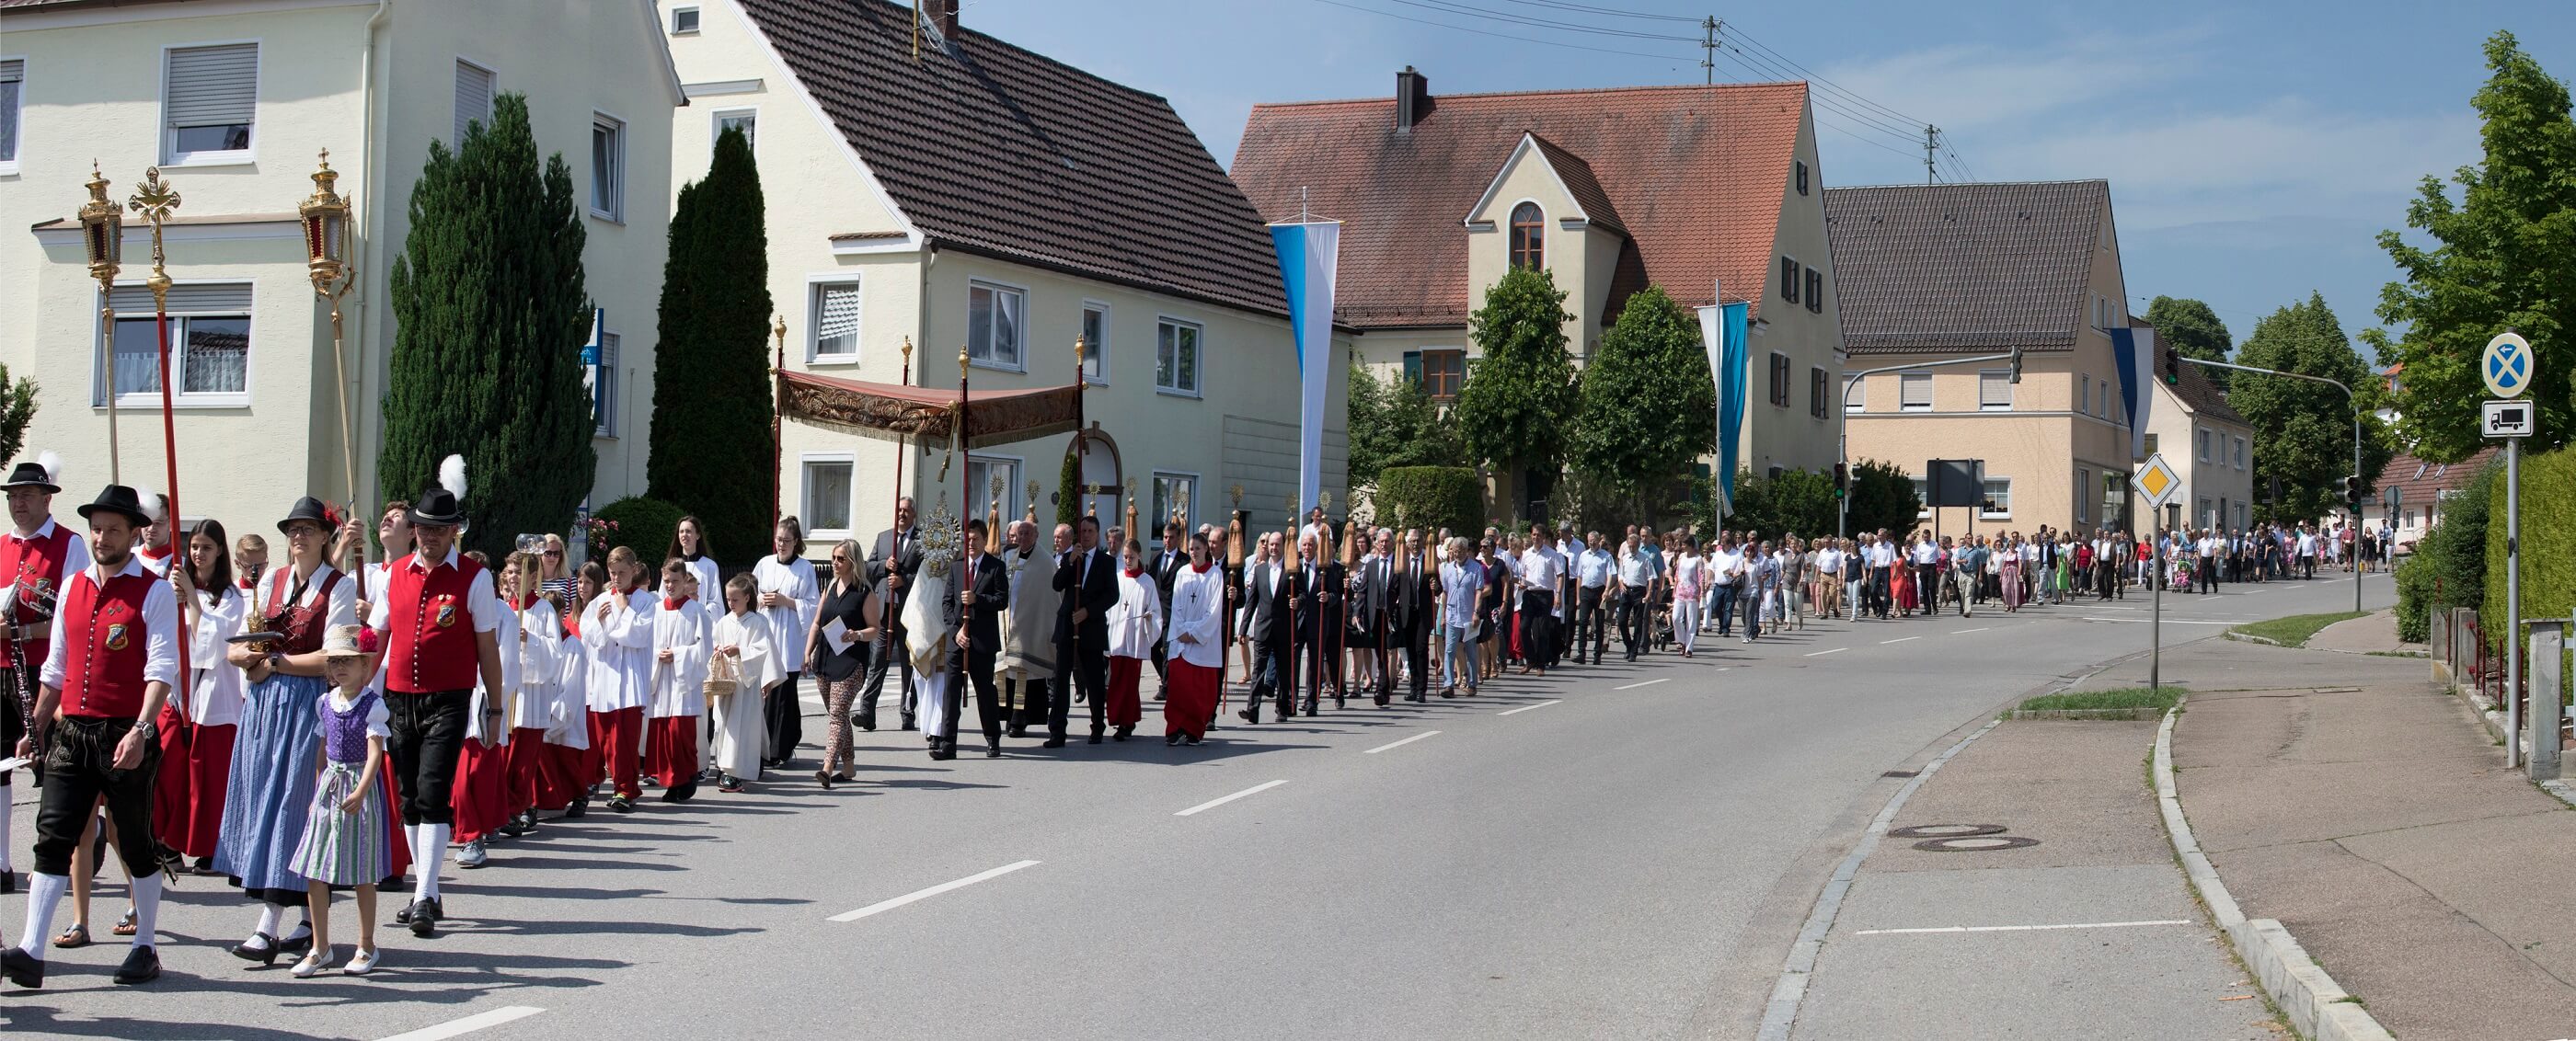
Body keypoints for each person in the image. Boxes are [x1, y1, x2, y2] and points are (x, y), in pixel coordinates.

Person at [6, 485, 179, 989]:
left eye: (113, 530)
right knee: (52, 837)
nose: (102, 538)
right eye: (97, 529)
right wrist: (36, 725)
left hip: (125, 731)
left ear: (133, 534)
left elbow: (161, 668)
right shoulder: (72, 587)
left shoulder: (153, 591)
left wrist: (142, 730)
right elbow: (55, 666)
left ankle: (144, 944)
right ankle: (31, 951)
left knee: (135, 841)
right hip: (73, 731)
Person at [217, 497, 374, 967]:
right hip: (265, 707)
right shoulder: (271, 580)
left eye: (307, 529)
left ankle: (269, 925)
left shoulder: (338, 587)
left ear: (326, 536)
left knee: (294, 806)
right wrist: (250, 660)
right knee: (264, 800)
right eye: (292, 530)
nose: (298, 536)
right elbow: (238, 646)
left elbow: (333, 657)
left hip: (308, 706)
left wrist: (274, 663)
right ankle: (307, 920)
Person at [368, 460, 504, 939]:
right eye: (423, 528)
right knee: (409, 798)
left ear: (453, 532)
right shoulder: (393, 575)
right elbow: (378, 638)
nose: (429, 536)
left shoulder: (474, 578)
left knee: (432, 793)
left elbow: (487, 648)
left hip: (449, 698)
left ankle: (425, 894)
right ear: (414, 529)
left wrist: (495, 710)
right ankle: (425, 889)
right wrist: (359, 691)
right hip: (398, 697)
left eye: (439, 529)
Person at [2, 452, 86, 892]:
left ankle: (55, 854)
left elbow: (75, 616)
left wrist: (20, 630)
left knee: (53, 765)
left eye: (27, 495)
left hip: (46, 669)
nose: (19, 503)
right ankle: (2, 863)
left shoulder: (68, 544)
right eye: (13, 496)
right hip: (2, 667)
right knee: (1, 765)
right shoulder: (1, 544)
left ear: (47, 499)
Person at [287, 624, 390, 978]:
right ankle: (320, 946)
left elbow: (375, 753)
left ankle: (366, 944)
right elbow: (323, 747)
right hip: (330, 786)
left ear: (365, 665)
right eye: (334, 662)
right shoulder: (325, 703)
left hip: (358, 785)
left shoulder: (373, 706)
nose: (340, 667)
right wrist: (318, 786)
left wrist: (361, 791)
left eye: (348, 660)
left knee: (362, 870)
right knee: (315, 868)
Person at [173, 520, 247, 874]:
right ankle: (171, 842)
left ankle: (214, 846)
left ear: (219, 551)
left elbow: (212, 645)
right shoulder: (176, 589)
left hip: (215, 695)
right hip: (179, 691)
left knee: (212, 778)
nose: (198, 554)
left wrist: (191, 598)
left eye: (206, 547)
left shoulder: (231, 597)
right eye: (194, 547)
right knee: (175, 773)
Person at [447, 551, 517, 869]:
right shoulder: (452, 608)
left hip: (481, 704)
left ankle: (472, 837)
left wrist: (493, 707)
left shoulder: (504, 616)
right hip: (450, 701)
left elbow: (507, 667)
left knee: (471, 776)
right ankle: (481, 824)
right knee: (456, 775)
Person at [582, 547, 656, 814]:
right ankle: (615, 783)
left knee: (625, 739)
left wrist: (625, 611)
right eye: (612, 573)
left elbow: (638, 636)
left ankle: (625, 788)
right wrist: (600, 621)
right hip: (605, 678)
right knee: (606, 738)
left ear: (633, 570)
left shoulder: (646, 602)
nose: (616, 578)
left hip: (630, 680)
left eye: (622, 573)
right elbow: (589, 636)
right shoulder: (600, 601)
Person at [496, 552, 563, 834]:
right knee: (503, 755)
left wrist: (530, 639)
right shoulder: (501, 609)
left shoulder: (543, 610)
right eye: (510, 572)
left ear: (534, 577)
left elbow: (555, 652)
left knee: (523, 757)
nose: (514, 577)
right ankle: (500, 808)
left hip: (530, 694)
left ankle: (516, 808)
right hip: (506, 691)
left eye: (519, 572)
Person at [934, 519, 1009, 760]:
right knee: (951, 692)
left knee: (985, 692)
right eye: (967, 539)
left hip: (982, 640)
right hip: (958, 640)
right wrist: (955, 631)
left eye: (976, 539)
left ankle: (993, 738)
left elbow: (1002, 600)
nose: (971, 543)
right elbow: (947, 603)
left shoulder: (995, 567)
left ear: (985, 540)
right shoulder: (957, 568)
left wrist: (978, 599)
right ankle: (948, 743)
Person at [805, 541, 873, 786]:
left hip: (851, 663)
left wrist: (857, 634)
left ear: (853, 561)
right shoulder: (830, 587)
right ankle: (849, 767)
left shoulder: (865, 593)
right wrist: (807, 652)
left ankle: (827, 767)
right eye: (834, 557)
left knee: (836, 716)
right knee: (840, 715)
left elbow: (875, 629)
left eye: (841, 558)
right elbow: (816, 623)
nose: (835, 562)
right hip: (825, 660)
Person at [640, 559, 708, 803]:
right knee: (663, 735)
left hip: (683, 682)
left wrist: (678, 655)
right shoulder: (655, 610)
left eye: (675, 581)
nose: (670, 585)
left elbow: (704, 648)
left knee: (680, 733)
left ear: (685, 580)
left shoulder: (696, 611)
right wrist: (656, 655)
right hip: (660, 680)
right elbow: (645, 643)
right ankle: (671, 782)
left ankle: (687, 778)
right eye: (667, 581)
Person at [754, 519, 819, 767]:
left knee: (783, 696)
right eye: (779, 539)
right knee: (766, 694)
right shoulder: (764, 563)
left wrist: (786, 601)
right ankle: (765, 746)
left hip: (790, 637)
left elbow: (813, 606)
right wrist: (761, 599)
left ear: (796, 542)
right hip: (767, 633)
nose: (781, 545)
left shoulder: (805, 568)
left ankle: (778, 749)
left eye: (787, 541)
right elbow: (749, 592)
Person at [711, 573, 780, 792]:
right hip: (726, 681)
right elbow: (715, 642)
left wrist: (740, 651)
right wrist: (718, 651)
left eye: (735, 599)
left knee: (742, 727)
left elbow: (763, 651)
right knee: (723, 725)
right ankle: (724, 766)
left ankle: (736, 772)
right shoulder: (724, 621)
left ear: (747, 598)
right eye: (728, 599)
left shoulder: (757, 622)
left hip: (746, 683)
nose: (731, 603)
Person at [860, 498, 922, 731]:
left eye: (906, 510)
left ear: (914, 514)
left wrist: (904, 580)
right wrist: (884, 566)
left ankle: (907, 712)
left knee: (908, 664)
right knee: (877, 662)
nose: (902, 514)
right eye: (899, 509)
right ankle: (867, 712)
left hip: (907, 614)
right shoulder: (884, 537)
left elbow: (927, 575)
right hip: (883, 612)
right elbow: (868, 566)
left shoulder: (921, 540)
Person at [1054, 517, 1117, 744]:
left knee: (1094, 680)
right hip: (1067, 625)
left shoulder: (1106, 562)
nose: (1086, 535)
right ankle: (1057, 731)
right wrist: (1070, 562)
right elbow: (1057, 584)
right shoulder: (1071, 557)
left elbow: (1112, 595)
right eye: (1083, 531)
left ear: (1098, 534)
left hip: (1091, 628)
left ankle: (1097, 727)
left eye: (1090, 531)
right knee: (1061, 679)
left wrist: (1088, 611)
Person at [998, 521, 1061, 741]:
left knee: (1024, 674)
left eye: (1027, 533)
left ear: (1036, 535)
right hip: (1008, 622)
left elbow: (1050, 596)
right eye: (1020, 534)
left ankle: (1020, 720)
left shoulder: (1046, 562)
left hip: (1031, 624)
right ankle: (1007, 716)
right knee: (1006, 672)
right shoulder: (1009, 557)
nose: (1022, 537)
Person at [1162, 532, 1225, 746]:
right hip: (1181, 640)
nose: (1194, 552)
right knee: (1179, 689)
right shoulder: (1183, 573)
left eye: (1198, 548)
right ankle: (1175, 727)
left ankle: (1194, 729)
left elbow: (1214, 611)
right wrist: (1182, 631)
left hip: (1201, 643)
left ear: (1206, 549)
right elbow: (1176, 606)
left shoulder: (1215, 574)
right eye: (1191, 548)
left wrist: (1195, 633)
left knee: (1199, 692)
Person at [1237, 532, 1299, 722]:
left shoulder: (1292, 570)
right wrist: (1243, 628)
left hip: (1283, 628)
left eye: (1277, 544)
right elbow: (1252, 602)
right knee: (1258, 670)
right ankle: (1252, 710)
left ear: (1283, 546)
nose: (1273, 548)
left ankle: (1282, 709)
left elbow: (1303, 594)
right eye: (1271, 544)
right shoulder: (1260, 570)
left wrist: (1298, 601)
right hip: (1263, 627)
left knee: (1283, 671)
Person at [1106, 538, 1160, 738]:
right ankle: (1122, 719)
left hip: (1135, 639)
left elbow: (1155, 611)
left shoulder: (1147, 582)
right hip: (1117, 638)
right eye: (1126, 557)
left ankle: (1126, 723)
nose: (1128, 561)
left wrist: (1149, 618)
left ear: (1139, 556)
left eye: (1132, 557)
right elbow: (1109, 608)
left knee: (1129, 684)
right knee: (1115, 682)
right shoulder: (1118, 578)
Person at [1437, 537, 1485, 695]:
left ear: (1466, 551)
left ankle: (1472, 683)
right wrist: (1443, 615)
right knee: (1450, 650)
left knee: (1470, 651)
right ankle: (1448, 685)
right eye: (1454, 551)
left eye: (1459, 551)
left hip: (1469, 616)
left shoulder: (1476, 568)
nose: (1456, 554)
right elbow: (1445, 592)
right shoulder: (1448, 569)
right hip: (1452, 615)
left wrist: (1476, 612)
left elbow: (1479, 592)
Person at [1148, 519, 1187, 700]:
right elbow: (1151, 582)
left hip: (1173, 613)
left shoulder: (1184, 561)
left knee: (1167, 650)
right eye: (1165, 537)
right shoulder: (1155, 557)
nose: (1167, 541)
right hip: (1156, 611)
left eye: (1171, 537)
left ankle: (1165, 687)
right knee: (1152, 648)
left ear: (1178, 539)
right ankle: (1167, 680)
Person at [1574, 532, 1614, 667]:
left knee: (1599, 623)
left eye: (1594, 540)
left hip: (1600, 592)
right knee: (1583, 622)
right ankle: (1581, 653)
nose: (1592, 543)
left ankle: (1597, 654)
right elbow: (1579, 577)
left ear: (1599, 541)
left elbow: (1610, 574)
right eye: (1590, 540)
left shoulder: (1606, 556)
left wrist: (1607, 590)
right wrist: (1578, 597)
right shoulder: (1583, 555)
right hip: (1586, 591)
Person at [1671, 540, 1707, 658]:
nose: (1682, 546)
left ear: (1691, 546)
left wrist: (1702, 593)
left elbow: (1701, 576)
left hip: (1692, 593)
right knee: (1676, 618)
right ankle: (1682, 641)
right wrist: (1674, 589)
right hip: (1680, 592)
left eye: (1684, 544)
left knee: (1691, 621)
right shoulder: (1681, 557)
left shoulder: (1698, 559)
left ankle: (1689, 648)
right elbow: (1677, 575)